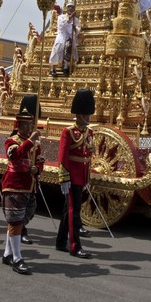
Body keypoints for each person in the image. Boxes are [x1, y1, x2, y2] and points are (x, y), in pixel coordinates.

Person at [1, 94, 43, 274]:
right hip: (14, 185)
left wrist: (37, 169)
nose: (28, 128)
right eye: (25, 125)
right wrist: (30, 141)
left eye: (30, 125)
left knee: (19, 221)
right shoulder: (11, 140)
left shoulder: (35, 142)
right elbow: (15, 155)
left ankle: (8, 252)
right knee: (16, 221)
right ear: (18, 125)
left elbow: (40, 160)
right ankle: (17, 258)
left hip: (29, 185)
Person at [56, 89, 94, 258]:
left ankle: (60, 240)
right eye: (85, 114)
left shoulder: (89, 132)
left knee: (69, 210)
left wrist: (87, 178)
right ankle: (74, 245)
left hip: (81, 177)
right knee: (74, 211)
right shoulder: (68, 132)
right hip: (71, 177)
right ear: (78, 114)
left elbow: (88, 156)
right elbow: (63, 156)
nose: (88, 117)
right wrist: (64, 178)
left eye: (88, 114)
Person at [49, 3, 80, 76]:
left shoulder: (76, 20)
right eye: (69, 7)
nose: (70, 9)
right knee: (57, 49)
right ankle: (53, 69)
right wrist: (69, 18)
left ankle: (66, 67)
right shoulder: (61, 17)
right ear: (66, 9)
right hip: (61, 36)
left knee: (69, 47)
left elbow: (78, 30)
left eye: (72, 7)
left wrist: (75, 28)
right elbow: (61, 26)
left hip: (70, 37)